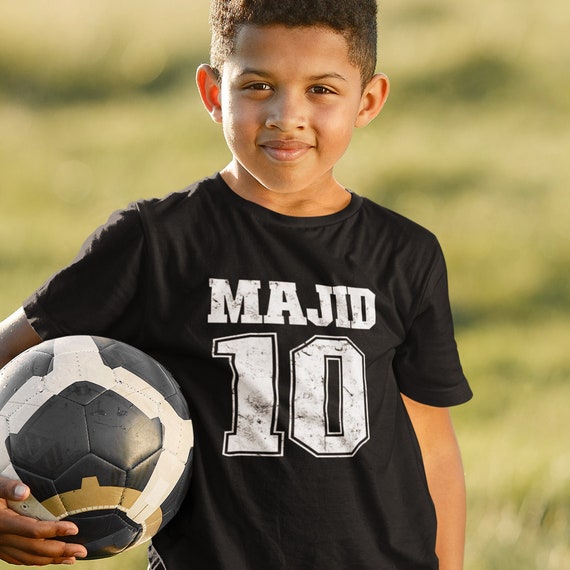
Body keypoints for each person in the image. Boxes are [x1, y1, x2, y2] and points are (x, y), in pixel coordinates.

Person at [0, 0, 472, 568]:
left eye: (321, 89)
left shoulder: (405, 253)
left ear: (367, 100)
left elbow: (433, 444)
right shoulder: (155, 241)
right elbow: (10, 354)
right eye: (257, 86)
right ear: (212, 92)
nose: (285, 115)